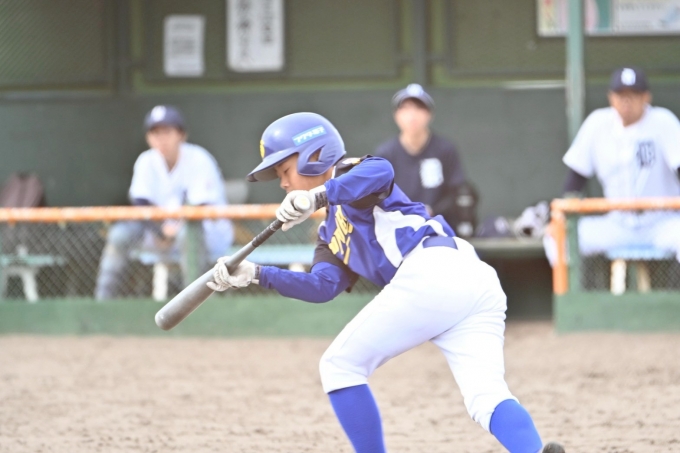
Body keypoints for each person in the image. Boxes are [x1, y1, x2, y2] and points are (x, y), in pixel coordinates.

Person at [206, 112, 564, 453]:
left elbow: (381, 170)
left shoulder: (351, 174)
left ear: (315, 156)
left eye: (285, 170)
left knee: (340, 366)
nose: (283, 184)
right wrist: (257, 274)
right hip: (469, 280)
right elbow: (322, 287)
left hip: (433, 270)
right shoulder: (329, 233)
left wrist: (317, 196)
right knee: (486, 397)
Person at [95, 105, 233, 300]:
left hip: (207, 234)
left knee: (186, 235)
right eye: (155, 133)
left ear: (182, 135)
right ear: (148, 138)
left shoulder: (199, 158)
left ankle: (199, 303)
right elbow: (140, 204)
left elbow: (200, 209)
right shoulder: (146, 161)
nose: (161, 139)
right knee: (120, 235)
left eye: (167, 132)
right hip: (161, 233)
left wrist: (171, 230)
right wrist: (160, 231)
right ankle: (102, 302)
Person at [545, 67, 680, 265]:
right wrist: (558, 219)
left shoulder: (663, 121)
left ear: (646, 97)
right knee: (557, 236)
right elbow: (576, 178)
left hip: (662, 223)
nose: (626, 100)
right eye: (620, 94)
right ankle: (572, 286)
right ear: (611, 97)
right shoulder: (597, 124)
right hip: (618, 225)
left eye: (633, 94)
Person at [374, 83, 477, 237]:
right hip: (399, 230)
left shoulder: (445, 149)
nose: (412, 115)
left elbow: (457, 193)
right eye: (406, 108)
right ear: (396, 115)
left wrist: (432, 210)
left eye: (419, 108)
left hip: (440, 229)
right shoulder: (386, 153)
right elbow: (379, 197)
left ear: (429, 114)